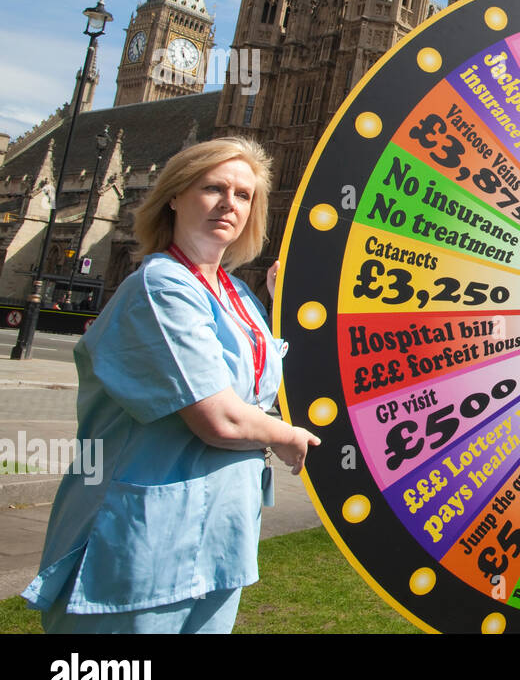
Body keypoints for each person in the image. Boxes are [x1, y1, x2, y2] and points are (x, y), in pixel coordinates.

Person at [22, 137, 320, 633]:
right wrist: (288, 437)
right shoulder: (160, 286)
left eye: (244, 195)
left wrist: (282, 302)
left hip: (220, 540)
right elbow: (219, 418)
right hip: (145, 541)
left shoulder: (239, 295)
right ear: (175, 196)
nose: (230, 203)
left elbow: (260, 388)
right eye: (213, 188)